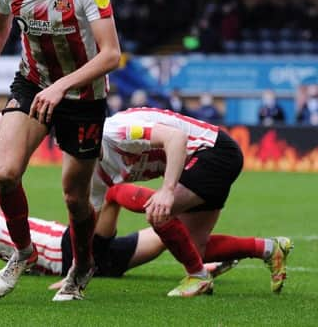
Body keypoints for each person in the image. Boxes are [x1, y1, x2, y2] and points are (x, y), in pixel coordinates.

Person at [0, 0, 121, 301]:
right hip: (33, 82)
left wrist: (63, 88)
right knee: (4, 174)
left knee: (74, 197)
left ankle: (82, 265)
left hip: (84, 95)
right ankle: (22, 252)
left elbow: (110, 55)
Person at [91, 107, 293, 297]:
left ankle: (198, 277)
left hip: (213, 153)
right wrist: (78, 274)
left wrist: (167, 191)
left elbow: (176, 138)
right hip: (208, 161)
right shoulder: (95, 165)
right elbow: (92, 210)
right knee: (197, 250)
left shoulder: (118, 131)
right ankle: (269, 248)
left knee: (158, 212)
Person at [0, 169, 236, 283]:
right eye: (1, 185)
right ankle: (205, 252)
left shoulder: (9, 230)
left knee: (166, 230)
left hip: (79, 252)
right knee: (119, 200)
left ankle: (204, 259)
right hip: (75, 252)